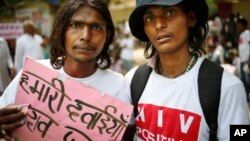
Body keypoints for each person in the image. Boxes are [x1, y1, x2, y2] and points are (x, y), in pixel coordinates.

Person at [0, 0, 129, 140]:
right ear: (62, 31)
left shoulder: (120, 85)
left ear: (107, 35)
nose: (85, 36)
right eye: (75, 25)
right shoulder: (32, 76)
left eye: (96, 27)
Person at [122, 0, 250, 140]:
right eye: (150, 18)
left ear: (191, 19)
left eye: (170, 12)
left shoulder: (228, 87)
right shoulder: (132, 81)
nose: (159, 25)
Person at [237, 18, 250, 102]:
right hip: (242, 60)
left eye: (239, 25)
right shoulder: (241, 34)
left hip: (247, 60)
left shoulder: (247, 33)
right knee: (244, 81)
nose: (238, 26)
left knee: (248, 80)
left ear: (244, 25)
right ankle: (246, 100)